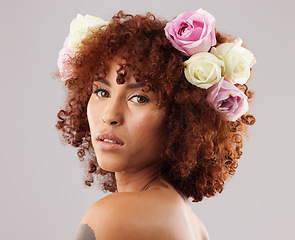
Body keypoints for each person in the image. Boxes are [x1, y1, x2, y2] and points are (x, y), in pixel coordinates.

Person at [56, 9, 256, 240]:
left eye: (139, 98)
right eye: (102, 91)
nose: (110, 115)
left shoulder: (114, 215)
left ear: (181, 118)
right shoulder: (193, 226)